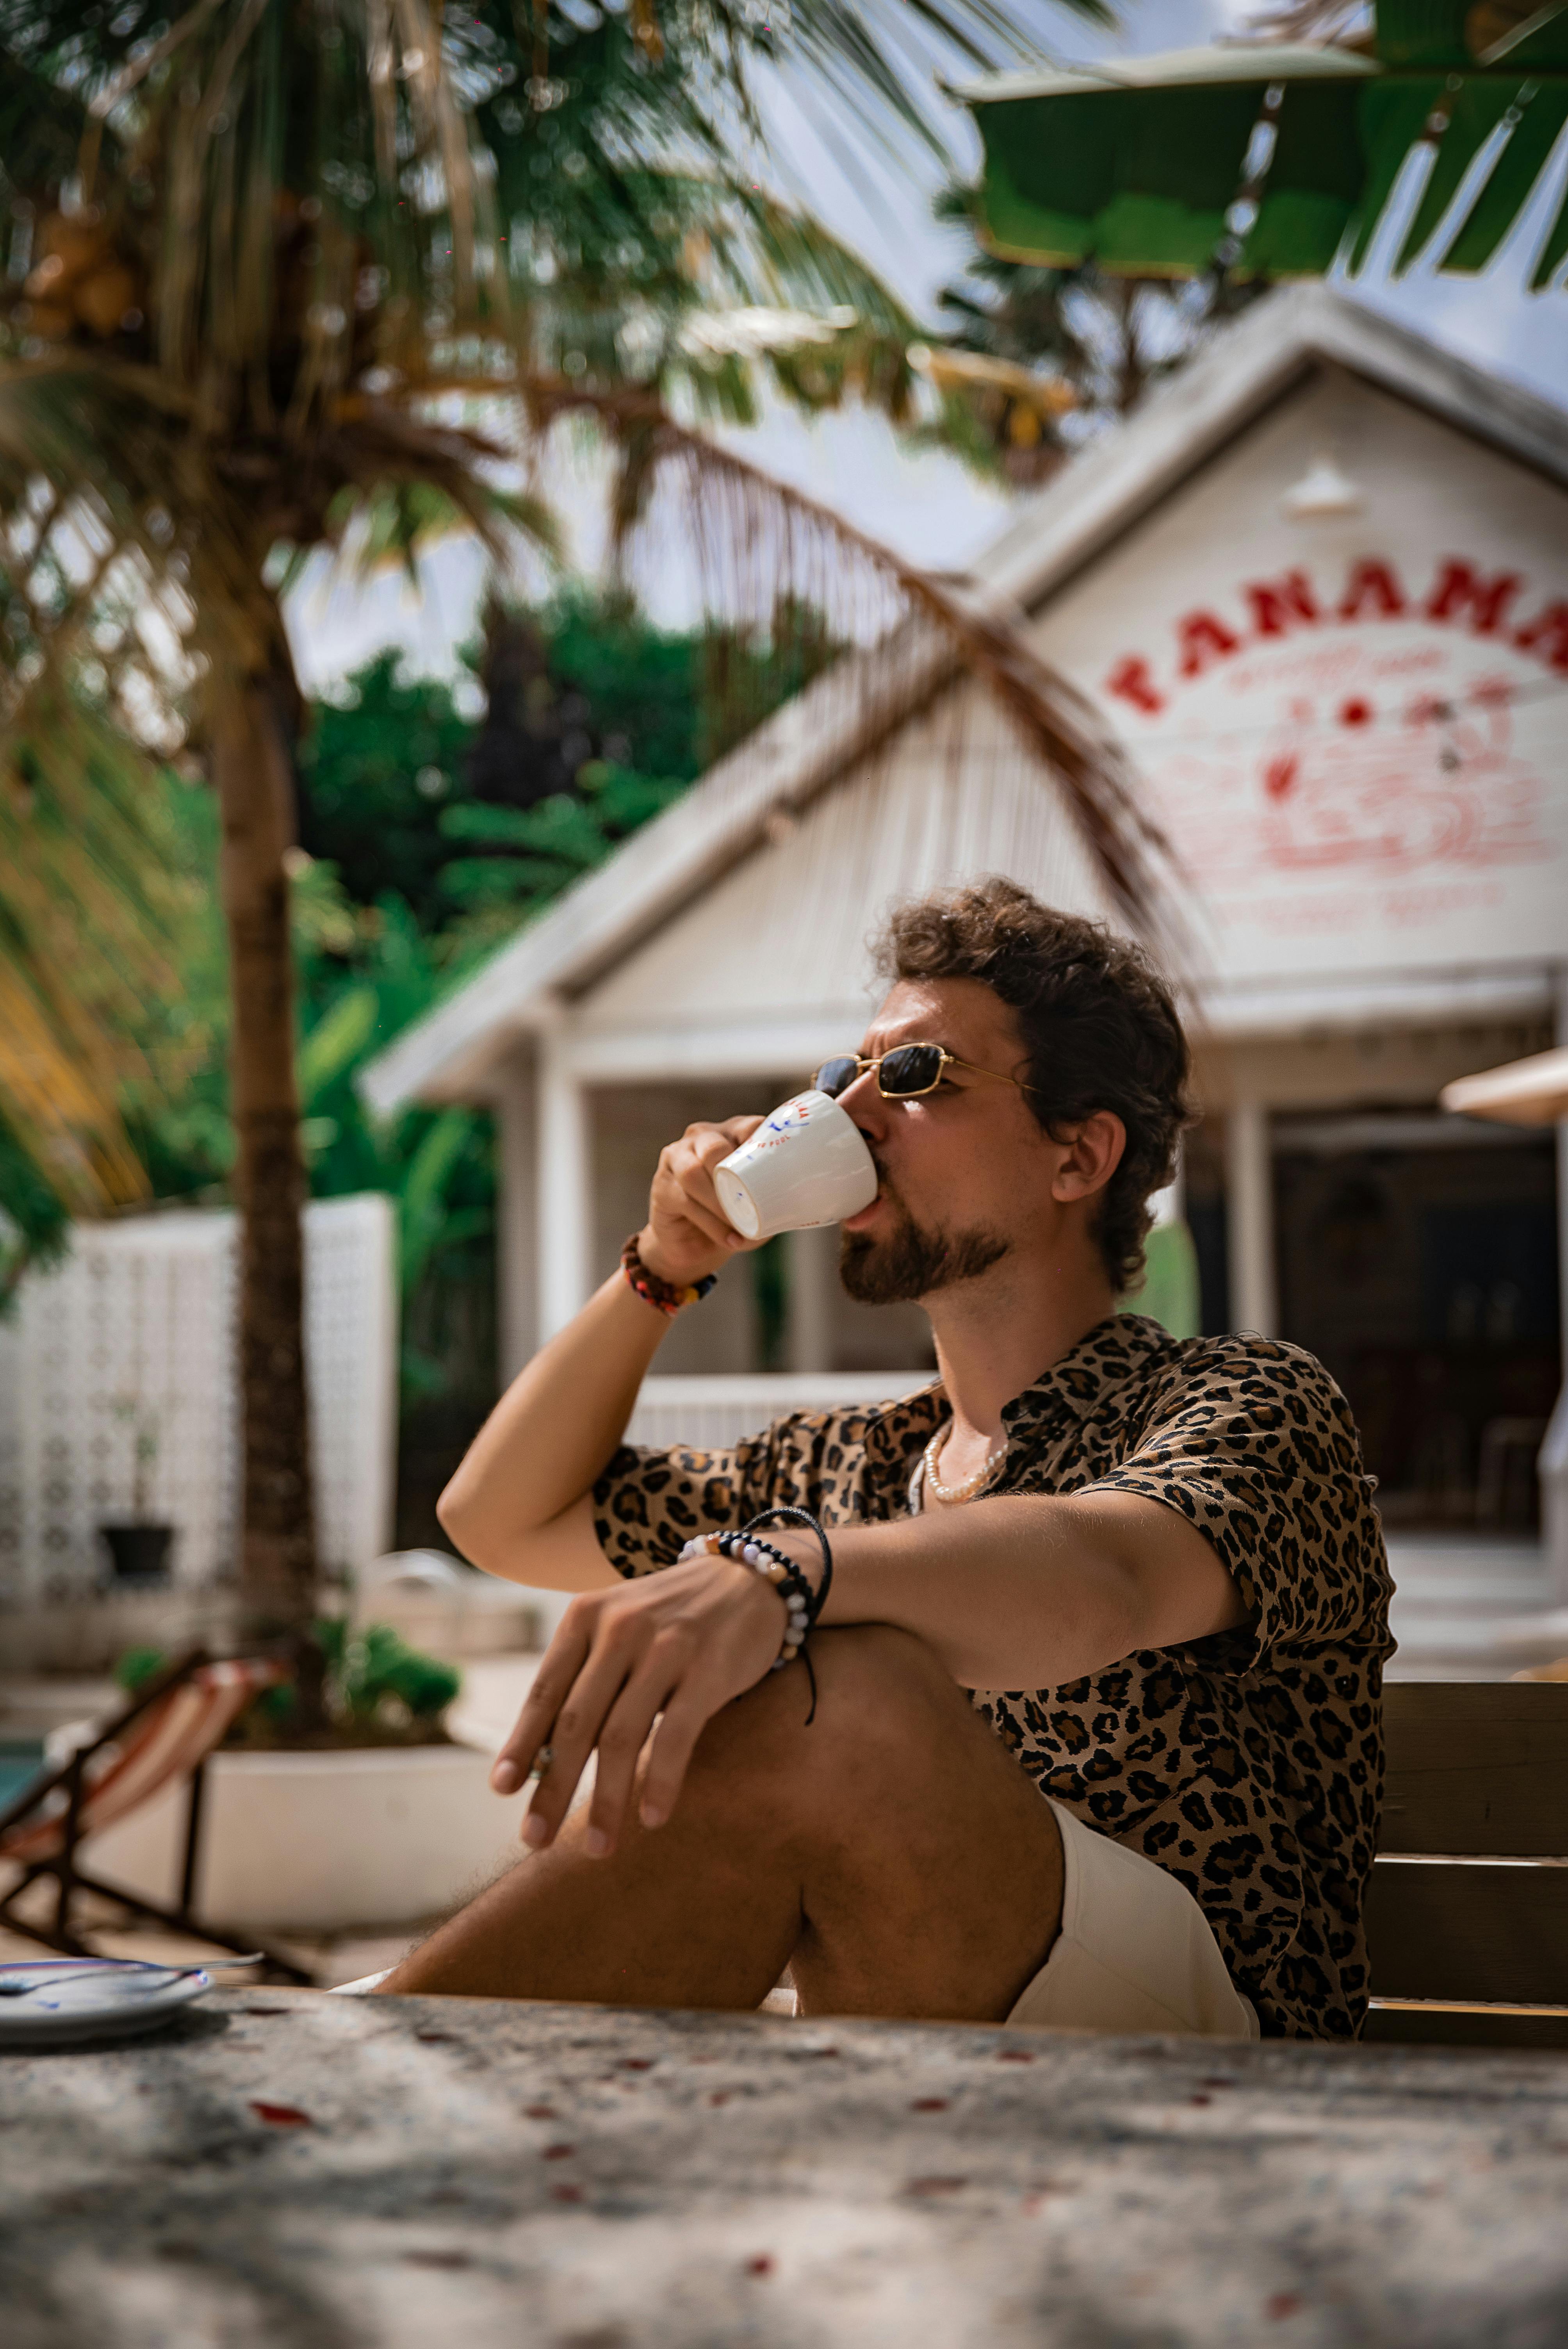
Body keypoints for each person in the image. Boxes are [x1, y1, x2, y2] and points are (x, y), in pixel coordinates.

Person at [377, 878, 1393, 2039]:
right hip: (941, 2046)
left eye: (915, 1078)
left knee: (844, 1698)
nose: (850, 1111)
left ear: (1078, 1157)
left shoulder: (1251, 1402)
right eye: (839, 1078)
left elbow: (1107, 1579)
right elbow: (499, 1518)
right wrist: (664, 1263)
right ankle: (390, 2077)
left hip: (1226, 2052)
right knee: (835, 1694)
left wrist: (782, 1577)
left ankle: (374, 2078)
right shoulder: (856, 1466)